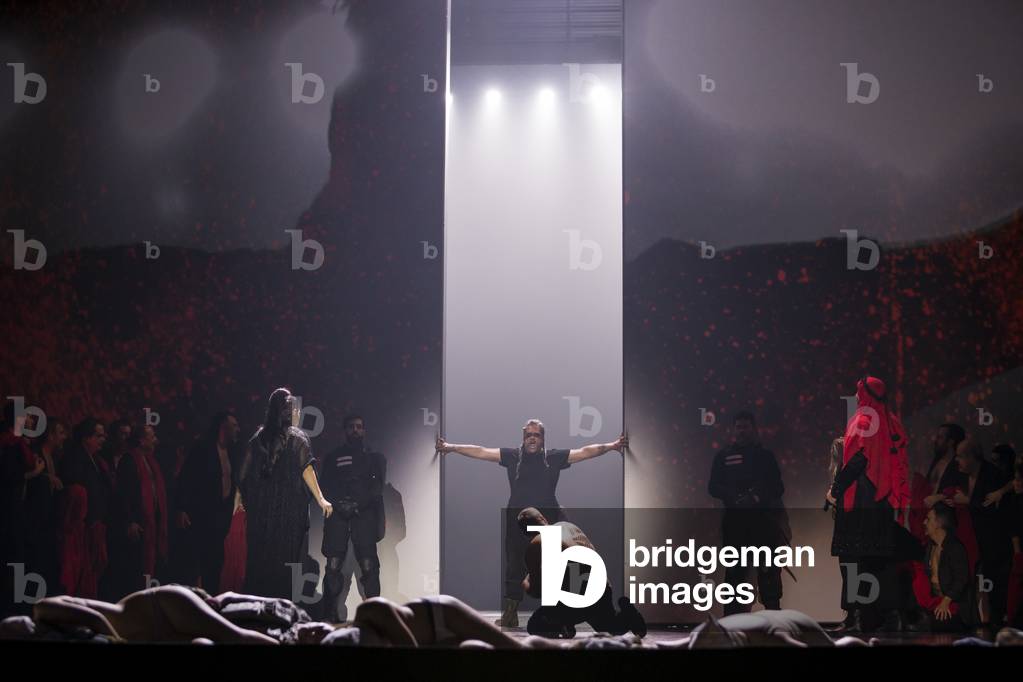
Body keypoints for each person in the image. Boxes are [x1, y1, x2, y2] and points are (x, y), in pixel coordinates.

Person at [436, 421, 627, 627]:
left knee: (557, 563)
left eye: (536, 435)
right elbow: (481, 451)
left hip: (548, 518)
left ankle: (561, 613)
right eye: (528, 435)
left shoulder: (553, 458)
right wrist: (451, 448)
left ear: (543, 438)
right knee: (514, 565)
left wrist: (613, 446)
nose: (532, 438)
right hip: (518, 519)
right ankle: (510, 614)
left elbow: (585, 452)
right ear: (523, 438)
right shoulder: (512, 456)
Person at [828, 376, 910, 632]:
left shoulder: (864, 420)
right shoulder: (891, 421)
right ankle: (886, 618)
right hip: (881, 502)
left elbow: (857, 460)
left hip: (860, 499)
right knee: (878, 561)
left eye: (859, 391)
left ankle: (855, 618)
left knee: (852, 559)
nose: (856, 395)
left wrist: (835, 489)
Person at [237, 388, 333, 598]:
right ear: (288, 412)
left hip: (261, 519)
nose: (298, 413)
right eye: (296, 409)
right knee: (284, 569)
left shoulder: (257, 439)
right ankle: (279, 610)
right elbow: (307, 469)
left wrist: (244, 501)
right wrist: (321, 499)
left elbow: (242, 476)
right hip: (289, 517)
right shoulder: (298, 438)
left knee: (259, 568)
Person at [517, 507, 645, 639]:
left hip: (580, 598)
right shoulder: (568, 526)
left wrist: (526, 583)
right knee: (612, 626)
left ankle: (563, 625)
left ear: (523, 532)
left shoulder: (535, 545)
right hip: (603, 588)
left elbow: (537, 592)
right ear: (543, 518)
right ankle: (628, 614)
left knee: (535, 625)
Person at [708, 411, 789, 614]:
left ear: (753, 429)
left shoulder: (765, 456)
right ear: (733, 429)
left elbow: (778, 487)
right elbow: (713, 487)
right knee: (735, 573)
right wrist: (734, 497)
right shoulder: (723, 456)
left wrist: (756, 497)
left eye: (745, 427)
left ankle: (773, 618)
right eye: (738, 427)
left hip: (763, 523)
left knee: (768, 572)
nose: (742, 431)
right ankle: (731, 619)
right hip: (735, 524)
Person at [31, 585, 278, 644]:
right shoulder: (59, 632)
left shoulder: (43, 610)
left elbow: (94, 619)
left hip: (159, 606)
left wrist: (115, 639)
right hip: (156, 628)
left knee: (234, 636)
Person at [320, 414, 386, 621]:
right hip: (338, 519)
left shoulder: (375, 459)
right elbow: (324, 486)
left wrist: (358, 504)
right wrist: (340, 505)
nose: (355, 430)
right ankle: (330, 615)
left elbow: (377, 488)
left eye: (359, 426)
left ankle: (375, 618)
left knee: (369, 567)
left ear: (364, 430)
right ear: (345, 430)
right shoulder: (332, 457)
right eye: (351, 427)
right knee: (333, 566)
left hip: (364, 519)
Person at [951, 436, 1012, 630]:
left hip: (994, 542)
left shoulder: (992, 475)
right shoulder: (963, 476)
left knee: (994, 581)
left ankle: (997, 622)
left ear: (972, 457)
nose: (957, 460)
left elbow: (993, 510)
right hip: (973, 540)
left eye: (960, 456)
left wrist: (968, 502)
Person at [176, 411, 239, 593]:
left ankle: (211, 599)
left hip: (220, 518)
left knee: (215, 563)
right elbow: (186, 478)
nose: (238, 429)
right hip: (201, 517)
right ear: (223, 427)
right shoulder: (202, 449)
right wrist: (181, 508)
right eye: (234, 425)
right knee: (197, 563)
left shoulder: (232, 452)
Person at [61, 418, 111, 599]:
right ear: (86, 438)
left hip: (94, 524)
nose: (103, 439)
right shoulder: (74, 458)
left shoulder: (97, 460)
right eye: (98, 436)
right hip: (81, 528)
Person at [912, 503, 977, 632]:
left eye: (928, 519)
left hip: (953, 603)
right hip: (937, 601)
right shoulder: (930, 546)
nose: (924, 522)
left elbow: (961, 579)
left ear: (939, 523)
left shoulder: (955, 548)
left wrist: (945, 601)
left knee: (939, 623)